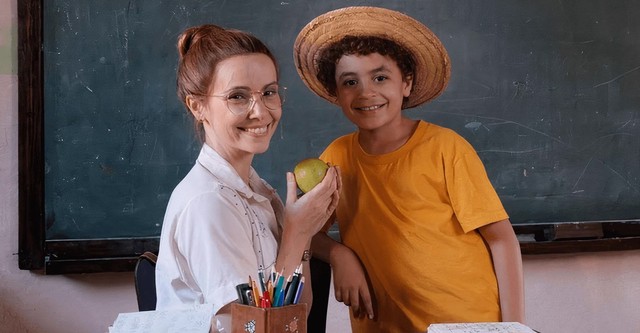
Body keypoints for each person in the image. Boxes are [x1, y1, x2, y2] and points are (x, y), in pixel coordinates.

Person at [293, 6, 525, 333]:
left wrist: (514, 328)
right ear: (337, 94)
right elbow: (303, 230)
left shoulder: (446, 148)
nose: (366, 92)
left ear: (407, 83)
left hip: (463, 324)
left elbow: (501, 241)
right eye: (350, 82)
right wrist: (338, 255)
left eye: (380, 77)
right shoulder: (336, 158)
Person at [155, 24, 340, 332]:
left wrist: (305, 233)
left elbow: (298, 317)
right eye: (238, 96)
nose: (261, 111)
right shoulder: (209, 203)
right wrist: (295, 234)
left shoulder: (258, 193)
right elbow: (250, 329)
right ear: (198, 105)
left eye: (269, 92)